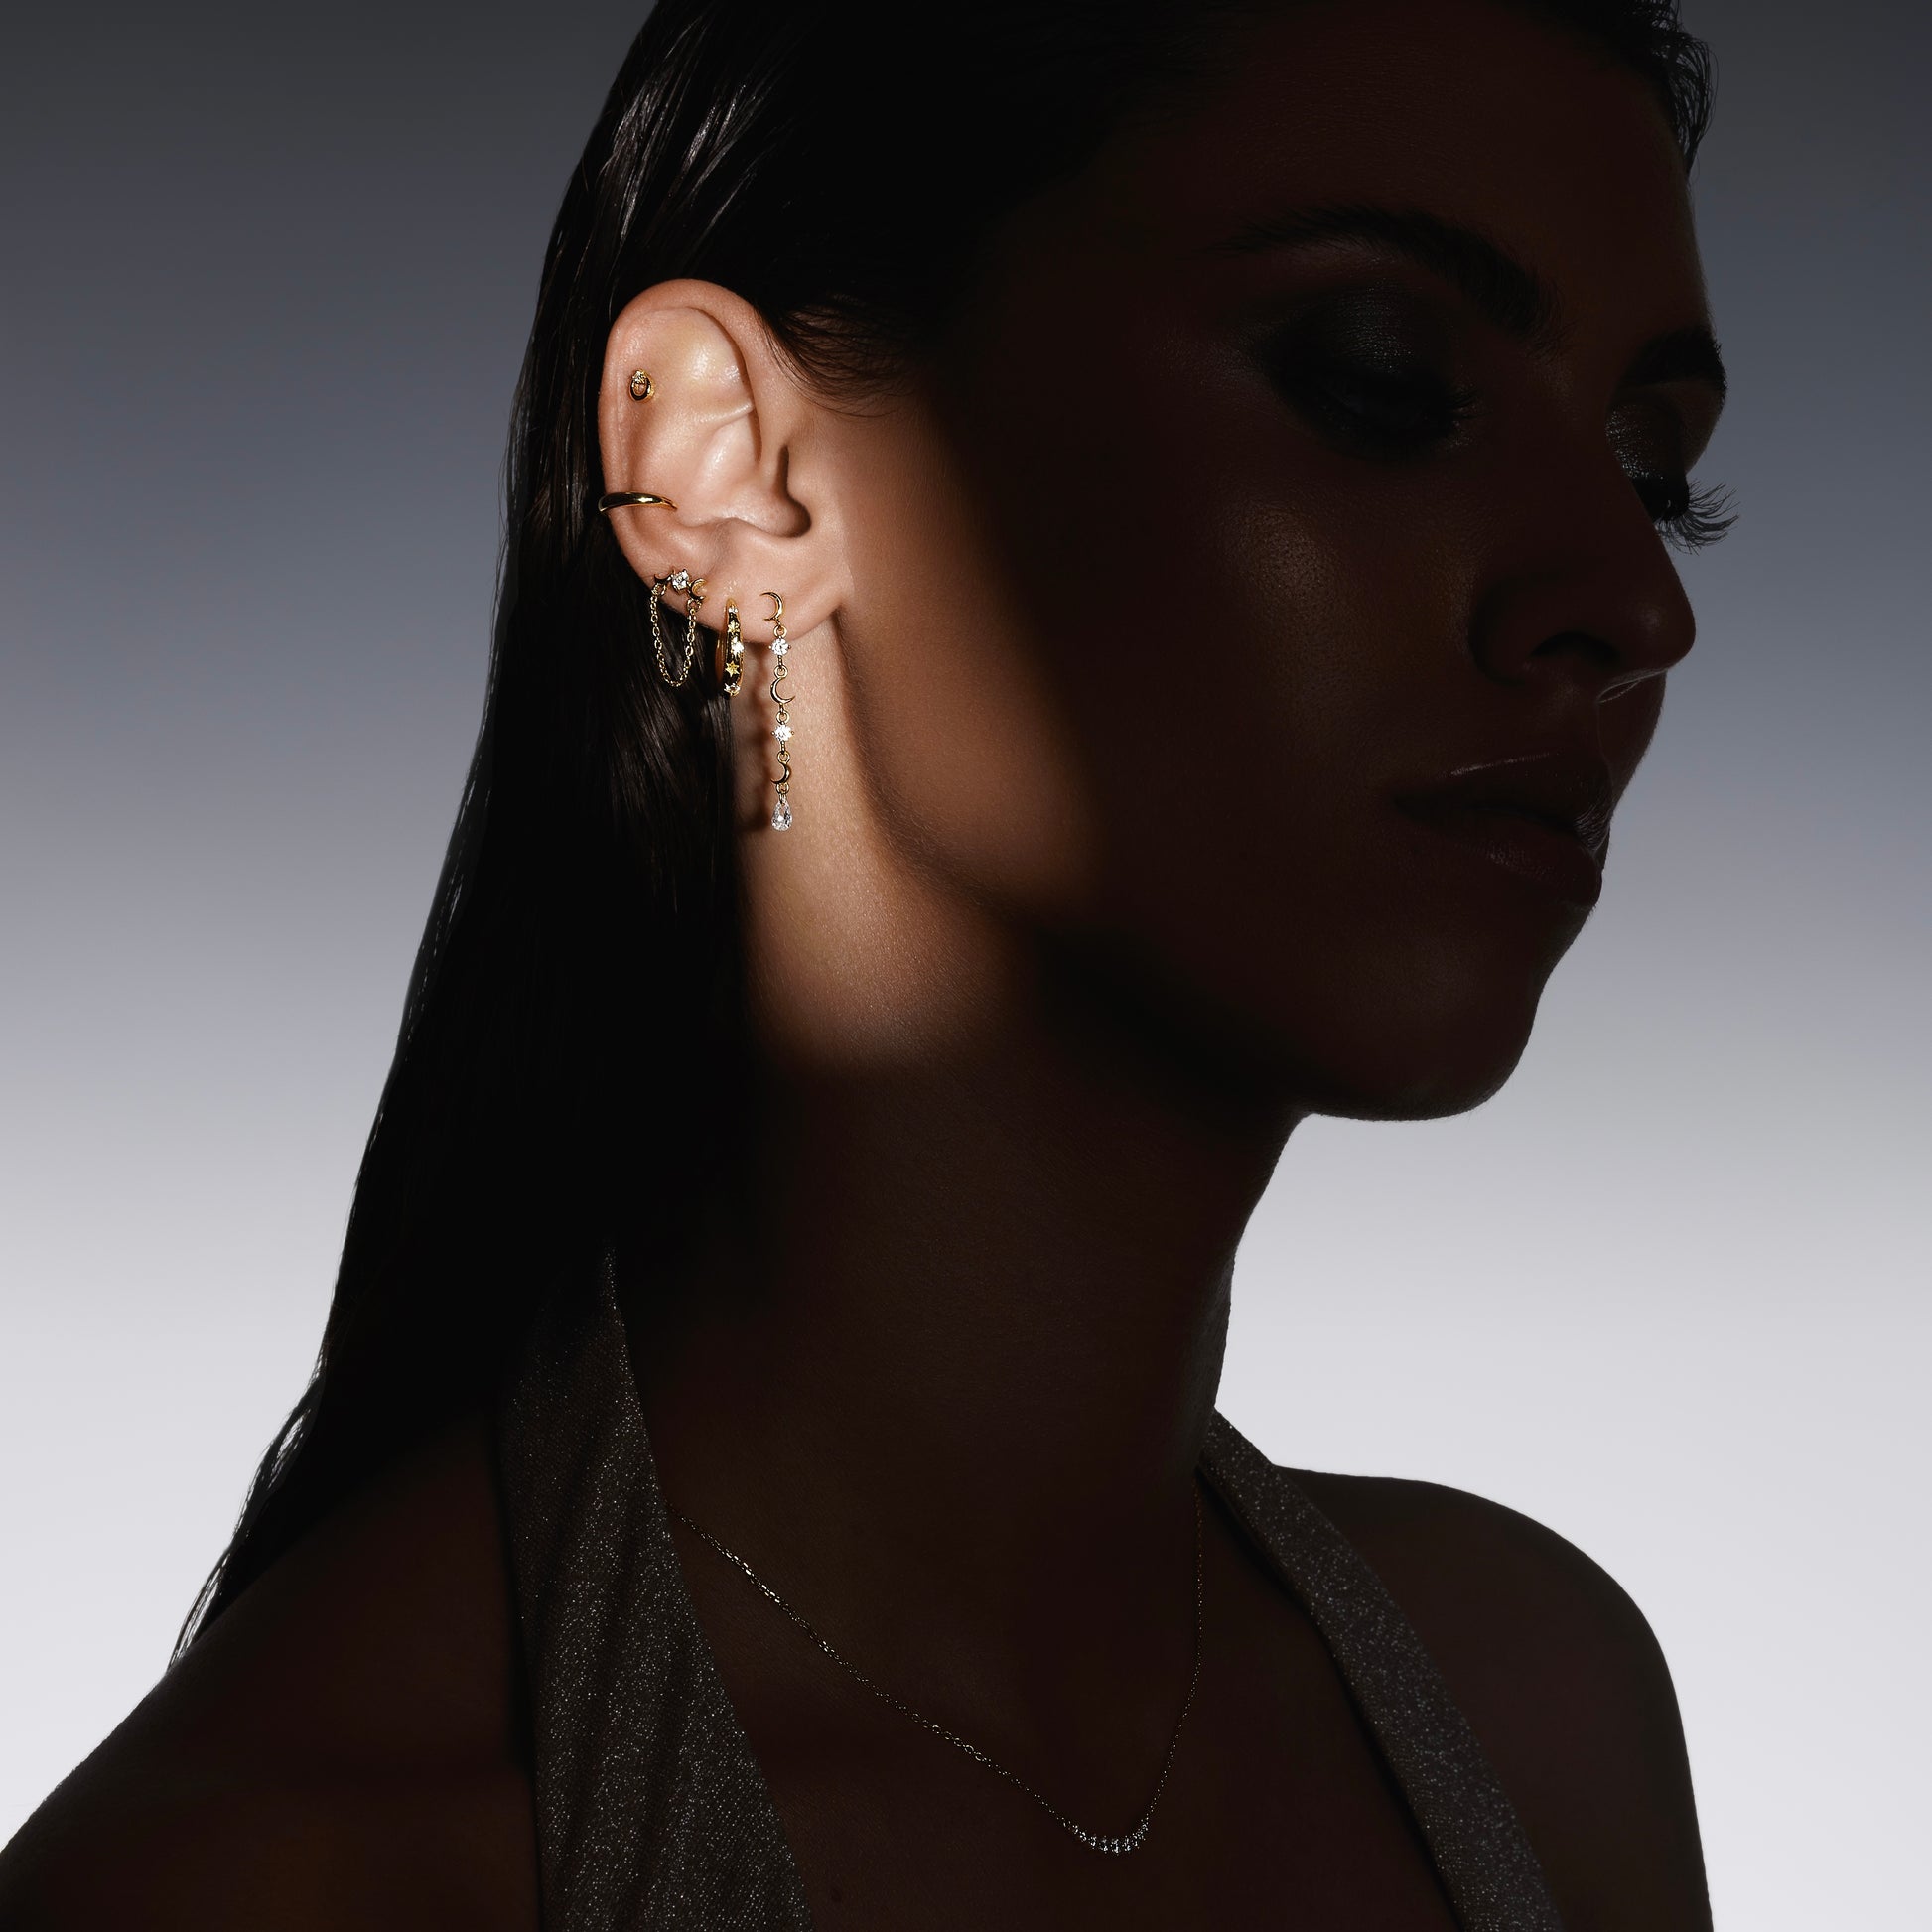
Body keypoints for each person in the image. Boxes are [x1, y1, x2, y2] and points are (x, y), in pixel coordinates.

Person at [0, 0, 1732, 1924]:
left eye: (1649, 468)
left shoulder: (1531, 1710)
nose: (1631, 599)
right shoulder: (281, 1872)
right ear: (724, 469)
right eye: (1378, 381)